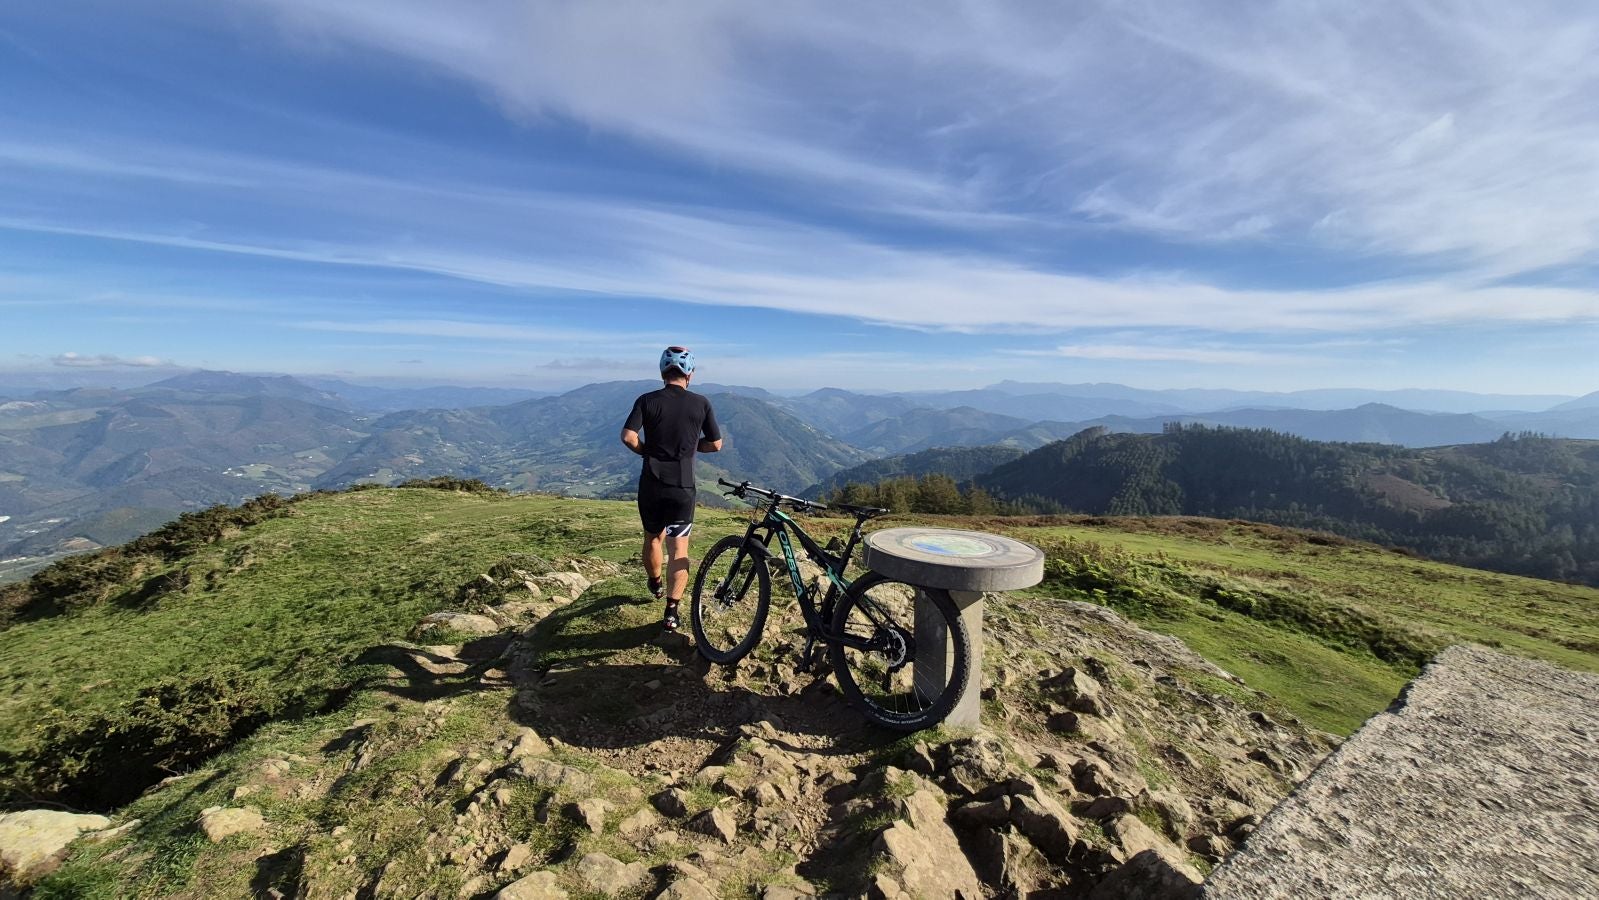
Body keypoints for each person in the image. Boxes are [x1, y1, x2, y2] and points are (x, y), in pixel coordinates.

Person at [621, 346, 722, 631]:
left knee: (653, 538)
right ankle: (671, 611)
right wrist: (692, 448)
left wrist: (646, 451)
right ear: (690, 373)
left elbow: (628, 437)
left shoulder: (646, 400)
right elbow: (715, 444)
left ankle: (654, 583)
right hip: (682, 486)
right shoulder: (701, 403)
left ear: (663, 372)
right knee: (679, 551)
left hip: (652, 484)